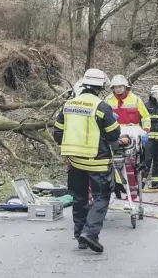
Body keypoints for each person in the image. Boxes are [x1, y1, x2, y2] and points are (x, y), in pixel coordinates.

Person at [53, 68, 120, 253]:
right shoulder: (101, 106)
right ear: (100, 87)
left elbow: (57, 133)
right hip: (97, 161)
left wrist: (72, 146)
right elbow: (114, 132)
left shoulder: (68, 105)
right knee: (101, 197)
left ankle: (80, 236)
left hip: (74, 162)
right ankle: (90, 233)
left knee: (80, 197)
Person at [105, 74, 151, 201]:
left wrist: (145, 131)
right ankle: (116, 191)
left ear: (125, 87)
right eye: (115, 87)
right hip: (114, 135)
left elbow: (146, 117)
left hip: (132, 136)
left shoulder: (135, 100)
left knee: (131, 166)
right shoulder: (108, 101)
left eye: (120, 87)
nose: (118, 89)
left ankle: (132, 194)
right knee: (112, 165)